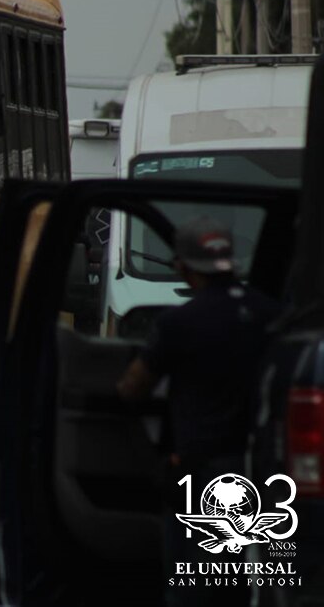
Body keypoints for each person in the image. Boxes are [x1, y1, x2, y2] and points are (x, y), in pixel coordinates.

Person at [117, 216, 281, 607]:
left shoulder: (179, 323)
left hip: (202, 473)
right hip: (268, 467)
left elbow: (133, 388)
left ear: (183, 267)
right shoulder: (273, 314)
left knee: (193, 587)